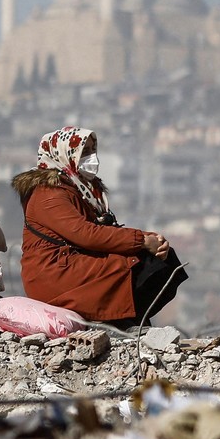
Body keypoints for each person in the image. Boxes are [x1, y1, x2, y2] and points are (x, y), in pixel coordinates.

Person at [11, 125, 187, 329]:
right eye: (84, 152)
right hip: (54, 273)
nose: (91, 157)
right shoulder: (48, 194)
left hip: (71, 263)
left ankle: (126, 318)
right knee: (136, 264)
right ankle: (120, 319)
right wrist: (142, 241)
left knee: (163, 259)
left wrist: (149, 239)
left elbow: (103, 229)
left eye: (92, 150)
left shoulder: (80, 189)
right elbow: (86, 234)